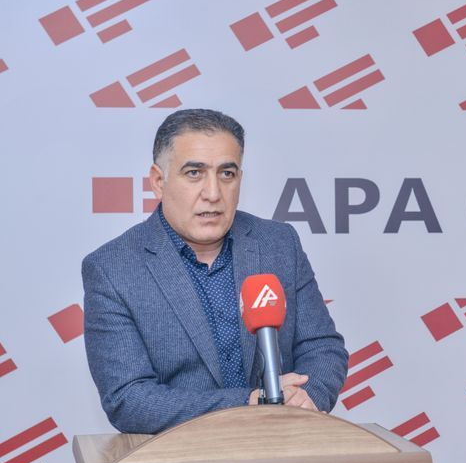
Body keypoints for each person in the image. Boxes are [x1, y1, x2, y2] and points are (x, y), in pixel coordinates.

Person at [82, 109, 348, 434]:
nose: (213, 193)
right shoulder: (112, 268)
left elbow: (322, 347)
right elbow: (128, 398)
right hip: (182, 455)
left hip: (283, 444)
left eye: (227, 174)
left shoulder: (279, 243)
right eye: (194, 173)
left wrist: (306, 396)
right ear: (158, 181)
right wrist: (249, 404)